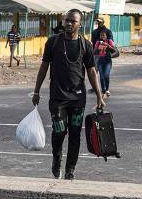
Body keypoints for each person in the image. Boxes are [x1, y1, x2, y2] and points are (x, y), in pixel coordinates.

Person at [32, 9, 105, 180]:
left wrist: (99, 96)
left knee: (74, 134)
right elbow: (44, 67)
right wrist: (36, 91)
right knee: (59, 132)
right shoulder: (53, 42)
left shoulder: (85, 45)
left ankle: (70, 170)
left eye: (73, 21)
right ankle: (56, 160)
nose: (69, 24)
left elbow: (92, 72)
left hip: (78, 99)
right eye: (67, 20)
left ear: (80, 24)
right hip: (58, 98)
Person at [93, 30, 117, 97]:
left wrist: (108, 45)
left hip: (108, 61)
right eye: (101, 35)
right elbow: (94, 52)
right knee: (102, 76)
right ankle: (103, 91)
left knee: (106, 75)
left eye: (104, 35)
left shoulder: (109, 41)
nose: (102, 37)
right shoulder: (98, 42)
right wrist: (98, 49)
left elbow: (114, 51)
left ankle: (107, 89)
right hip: (100, 61)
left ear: (106, 36)